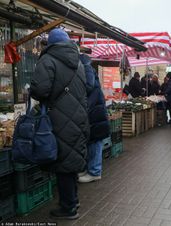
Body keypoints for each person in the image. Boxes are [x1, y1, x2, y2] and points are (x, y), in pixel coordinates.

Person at [30, 28, 89, 220]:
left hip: (59, 119)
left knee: (63, 164)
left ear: (50, 44)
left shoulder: (48, 60)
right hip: (78, 117)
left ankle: (69, 207)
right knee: (70, 162)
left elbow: (40, 90)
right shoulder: (79, 63)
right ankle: (74, 200)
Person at [78, 53, 110, 183]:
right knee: (93, 142)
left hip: (95, 114)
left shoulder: (86, 69)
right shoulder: (88, 69)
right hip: (95, 113)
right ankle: (91, 169)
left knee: (95, 142)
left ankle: (95, 172)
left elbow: (89, 87)